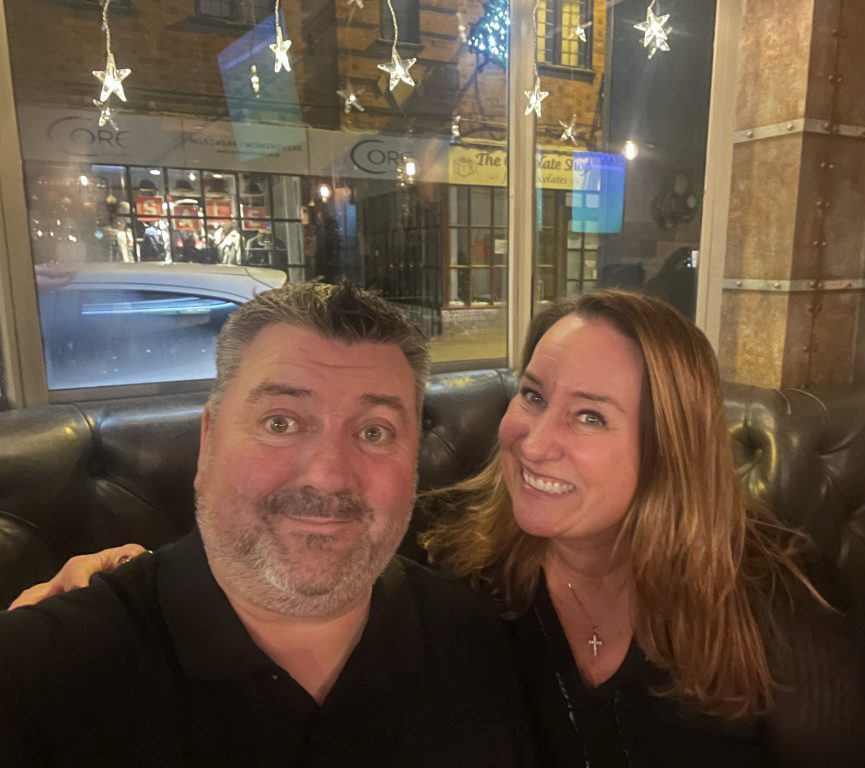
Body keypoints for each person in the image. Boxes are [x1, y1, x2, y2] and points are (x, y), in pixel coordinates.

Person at [11, 290, 865, 767]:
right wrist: (124, 576)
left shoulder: (774, 600)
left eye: (589, 416)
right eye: (532, 395)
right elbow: (304, 536)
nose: (532, 439)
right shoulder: (461, 554)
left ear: (668, 448)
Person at [0, 282, 532, 767]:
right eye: (280, 423)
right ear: (209, 440)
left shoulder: (475, 640)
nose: (328, 476)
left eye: (374, 432)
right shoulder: (37, 675)